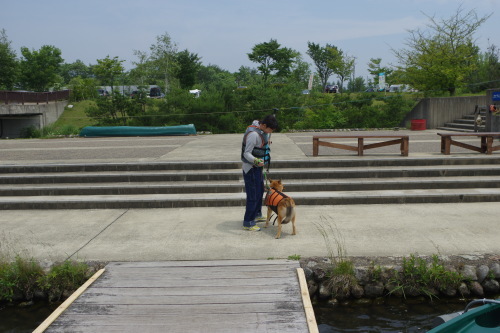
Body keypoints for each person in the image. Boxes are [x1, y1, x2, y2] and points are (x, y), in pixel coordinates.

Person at [241, 114, 278, 231]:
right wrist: (256, 160)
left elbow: (261, 144)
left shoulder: (261, 131)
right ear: (263, 125)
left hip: (257, 167)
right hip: (251, 168)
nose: (270, 132)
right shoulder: (253, 135)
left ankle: (256, 214)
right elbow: (246, 153)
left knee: (260, 190)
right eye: (270, 130)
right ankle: (248, 221)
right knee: (253, 194)